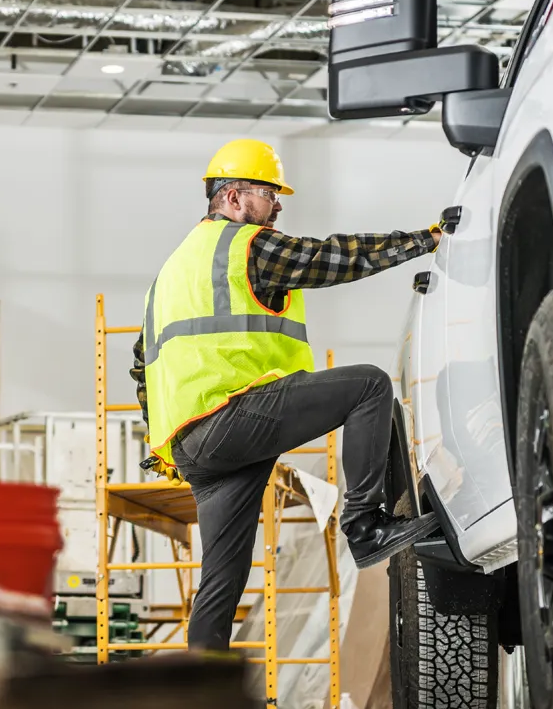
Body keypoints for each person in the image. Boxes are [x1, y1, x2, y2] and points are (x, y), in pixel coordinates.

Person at [130, 138, 442, 652]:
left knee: (220, 586)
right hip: (233, 415)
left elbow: (142, 365)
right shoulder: (246, 246)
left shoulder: (168, 275)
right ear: (231, 198)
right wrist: (422, 240)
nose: (277, 206)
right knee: (370, 387)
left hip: (194, 446)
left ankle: (202, 707)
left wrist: (165, 443)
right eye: (267, 193)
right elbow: (332, 258)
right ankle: (365, 526)